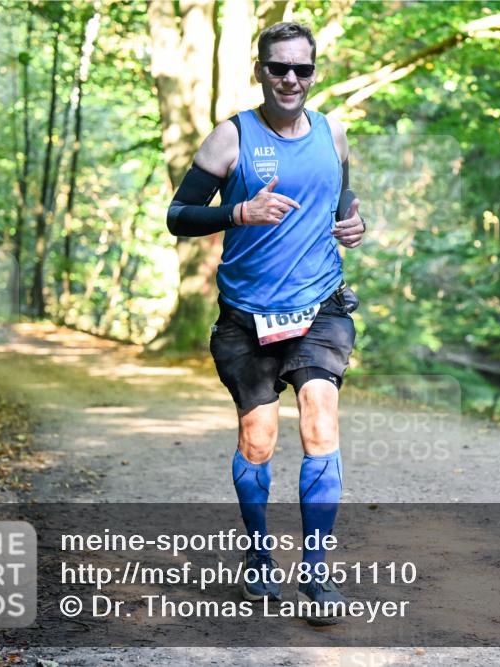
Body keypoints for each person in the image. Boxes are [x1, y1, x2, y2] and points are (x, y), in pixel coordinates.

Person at [165, 22, 365, 622]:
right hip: (247, 320)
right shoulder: (230, 139)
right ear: (260, 70)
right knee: (259, 439)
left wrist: (354, 226)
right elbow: (179, 216)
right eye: (279, 67)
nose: (290, 79)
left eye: (301, 70)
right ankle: (257, 555)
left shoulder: (334, 134)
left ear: (314, 73)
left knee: (320, 420)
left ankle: (316, 568)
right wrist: (239, 211)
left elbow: (344, 205)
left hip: (320, 309)